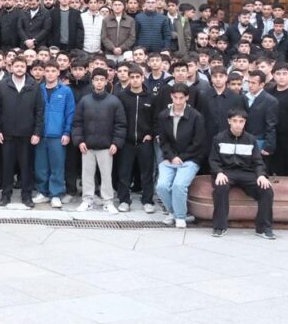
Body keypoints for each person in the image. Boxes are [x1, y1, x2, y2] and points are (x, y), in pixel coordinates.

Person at [208, 108, 275, 239]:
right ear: (229, 121)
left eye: (241, 121)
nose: (238, 124)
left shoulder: (251, 139)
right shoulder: (219, 138)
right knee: (220, 188)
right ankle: (219, 227)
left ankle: (263, 228)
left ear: (245, 122)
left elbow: (258, 161)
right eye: (235, 121)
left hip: (247, 173)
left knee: (266, 190)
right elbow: (213, 160)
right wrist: (219, 172)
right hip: (226, 172)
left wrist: (261, 175)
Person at [0, 56, 44, 209]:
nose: (19, 69)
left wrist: (37, 132)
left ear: (26, 68)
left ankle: (26, 196)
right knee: (7, 167)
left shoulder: (33, 85)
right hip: (7, 134)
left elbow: (39, 111)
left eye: (22, 66)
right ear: (11, 67)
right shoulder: (3, 84)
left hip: (27, 134)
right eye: (17, 66)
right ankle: (5, 195)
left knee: (26, 167)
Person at [72, 67, 125, 213]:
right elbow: (77, 123)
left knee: (106, 175)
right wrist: (79, 141)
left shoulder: (114, 101)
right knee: (87, 175)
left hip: (106, 146)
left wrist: (116, 143)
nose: (99, 82)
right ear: (92, 81)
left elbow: (120, 125)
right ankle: (87, 200)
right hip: (87, 146)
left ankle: (108, 201)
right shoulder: (85, 101)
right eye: (96, 80)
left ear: (107, 81)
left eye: (102, 80)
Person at [155, 83, 206, 228]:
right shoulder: (163, 115)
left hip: (190, 158)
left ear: (187, 98)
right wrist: (172, 157)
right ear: (171, 96)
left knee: (179, 185)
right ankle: (174, 212)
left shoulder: (196, 116)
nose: (178, 101)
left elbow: (198, 142)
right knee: (161, 186)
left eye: (181, 98)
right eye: (175, 97)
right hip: (169, 158)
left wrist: (182, 157)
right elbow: (163, 141)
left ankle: (180, 217)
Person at [34, 60, 76, 208]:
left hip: (57, 135)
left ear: (58, 72)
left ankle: (56, 194)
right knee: (41, 166)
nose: (50, 74)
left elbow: (70, 113)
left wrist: (67, 132)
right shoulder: (38, 89)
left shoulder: (65, 91)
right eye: (47, 71)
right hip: (41, 135)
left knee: (57, 166)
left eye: (53, 71)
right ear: (44, 73)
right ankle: (43, 192)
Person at [116, 64, 157, 214]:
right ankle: (124, 200)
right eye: (132, 77)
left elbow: (156, 119)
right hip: (126, 141)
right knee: (124, 172)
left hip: (145, 141)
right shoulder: (121, 96)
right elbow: (117, 119)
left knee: (146, 173)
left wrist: (151, 133)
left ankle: (147, 201)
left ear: (142, 78)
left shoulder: (151, 98)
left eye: (137, 77)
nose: (134, 80)